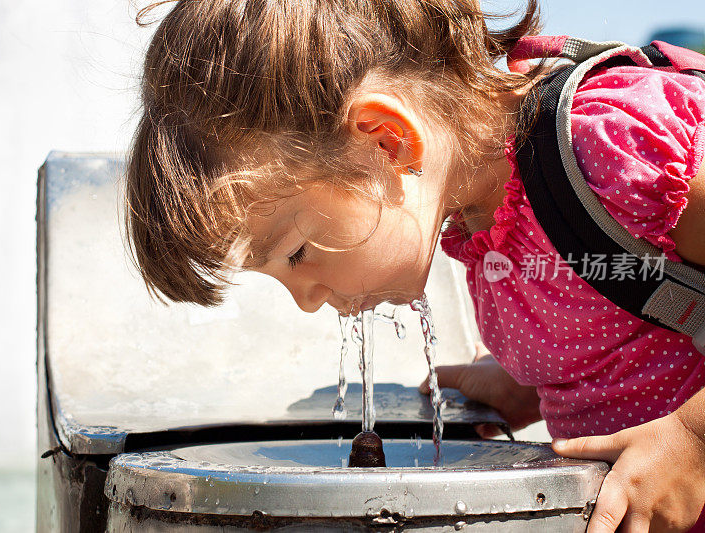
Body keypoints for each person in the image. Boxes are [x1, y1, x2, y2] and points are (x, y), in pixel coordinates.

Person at [124, 1, 705, 531]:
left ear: (385, 142)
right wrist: (531, 382)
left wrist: (693, 438)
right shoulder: (482, 215)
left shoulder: (610, 153)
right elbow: (630, 312)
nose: (303, 299)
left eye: (295, 252)